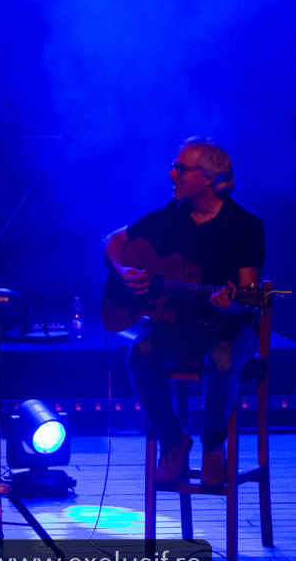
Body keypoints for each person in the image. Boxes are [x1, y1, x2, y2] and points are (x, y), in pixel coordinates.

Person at [102, 136, 264, 488]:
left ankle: (212, 447)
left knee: (221, 363)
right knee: (139, 353)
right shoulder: (170, 215)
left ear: (208, 178)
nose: (171, 174)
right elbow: (112, 241)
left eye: (181, 168)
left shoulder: (246, 226)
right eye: (173, 166)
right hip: (176, 325)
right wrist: (122, 271)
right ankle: (174, 442)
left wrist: (234, 302)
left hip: (229, 326)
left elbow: (248, 295)